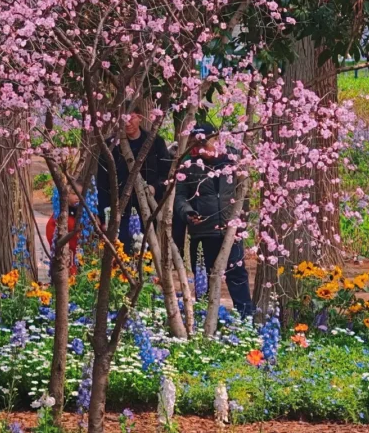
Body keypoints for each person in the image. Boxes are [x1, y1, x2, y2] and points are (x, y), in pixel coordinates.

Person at [172, 121, 253, 318]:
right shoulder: (188, 165)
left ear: (217, 140)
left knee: (237, 274)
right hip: (203, 230)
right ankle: (206, 321)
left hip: (230, 229)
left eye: (204, 144)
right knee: (205, 277)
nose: (199, 150)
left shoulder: (234, 160)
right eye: (195, 145)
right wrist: (189, 212)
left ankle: (247, 318)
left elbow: (243, 193)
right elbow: (180, 196)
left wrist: (240, 221)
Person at [96, 111, 171, 247]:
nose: (128, 123)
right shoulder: (111, 145)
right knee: (120, 252)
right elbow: (102, 182)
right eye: (124, 118)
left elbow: (166, 174)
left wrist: (155, 187)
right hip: (119, 208)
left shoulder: (155, 142)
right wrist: (103, 215)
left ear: (140, 118)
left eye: (132, 118)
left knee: (147, 252)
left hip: (148, 207)